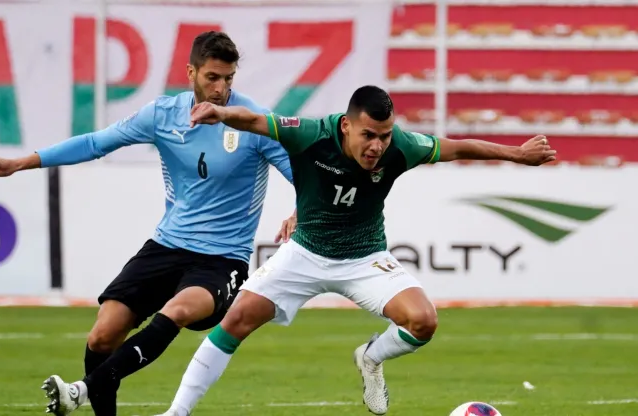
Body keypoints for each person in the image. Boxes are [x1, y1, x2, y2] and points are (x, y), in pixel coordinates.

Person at [153, 85, 557, 416]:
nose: (378, 146)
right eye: (368, 135)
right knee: (236, 320)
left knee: (424, 322)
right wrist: (222, 114)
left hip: (365, 257)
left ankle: (371, 356)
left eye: (384, 135)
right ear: (346, 126)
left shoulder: (403, 146)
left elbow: (457, 147)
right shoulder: (311, 134)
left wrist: (516, 155)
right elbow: (259, 121)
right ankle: (176, 413)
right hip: (305, 253)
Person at [0, 31, 296, 416]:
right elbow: (96, 143)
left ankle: (81, 391)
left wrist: (298, 212)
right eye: (212, 77)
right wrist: (22, 162)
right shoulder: (162, 115)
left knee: (179, 310)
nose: (221, 88)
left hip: (222, 259)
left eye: (229, 78)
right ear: (191, 72)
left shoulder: (252, 122)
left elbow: (304, 179)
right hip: (167, 245)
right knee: (103, 334)